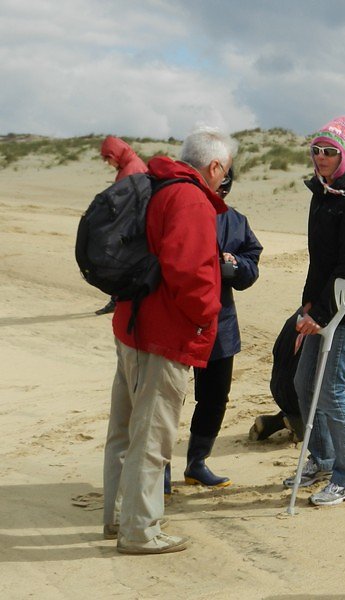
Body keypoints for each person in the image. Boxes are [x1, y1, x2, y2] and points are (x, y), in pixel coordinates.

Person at [102, 125, 237, 554]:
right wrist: (206, 316)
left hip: (132, 324)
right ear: (213, 166)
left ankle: (119, 516)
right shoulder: (190, 198)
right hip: (161, 335)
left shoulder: (153, 181)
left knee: (124, 430)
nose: (224, 179)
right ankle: (139, 530)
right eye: (225, 171)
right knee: (151, 436)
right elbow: (190, 272)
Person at [282, 116, 345, 507]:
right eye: (317, 150)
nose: (322, 157)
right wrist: (308, 305)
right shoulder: (324, 192)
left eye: (330, 151)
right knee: (303, 382)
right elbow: (320, 262)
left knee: (331, 389)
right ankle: (323, 458)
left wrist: (321, 314)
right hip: (325, 304)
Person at [168, 166, 263, 490]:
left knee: (214, 397)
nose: (219, 192)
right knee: (167, 398)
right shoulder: (175, 210)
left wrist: (235, 266)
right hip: (176, 321)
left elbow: (252, 260)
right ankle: (159, 470)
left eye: (225, 187)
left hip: (220, 324)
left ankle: (197, 463)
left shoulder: (235, 220)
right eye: (216, 185)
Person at [249, 309, 345, 442]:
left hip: (278, 388)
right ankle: (308, 427)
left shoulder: (300, 315)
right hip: (304, 393)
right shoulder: (343, 321)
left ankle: (284, 421)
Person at [96, 136, 148, 315]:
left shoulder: (131, 169)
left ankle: (117, 301)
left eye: (107, 159)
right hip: (134, 225)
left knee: (121, 264)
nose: (108, 163)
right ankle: (118, 300)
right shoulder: (131, 165)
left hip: (132, 227)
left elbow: (125, 203)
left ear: (115, 155)